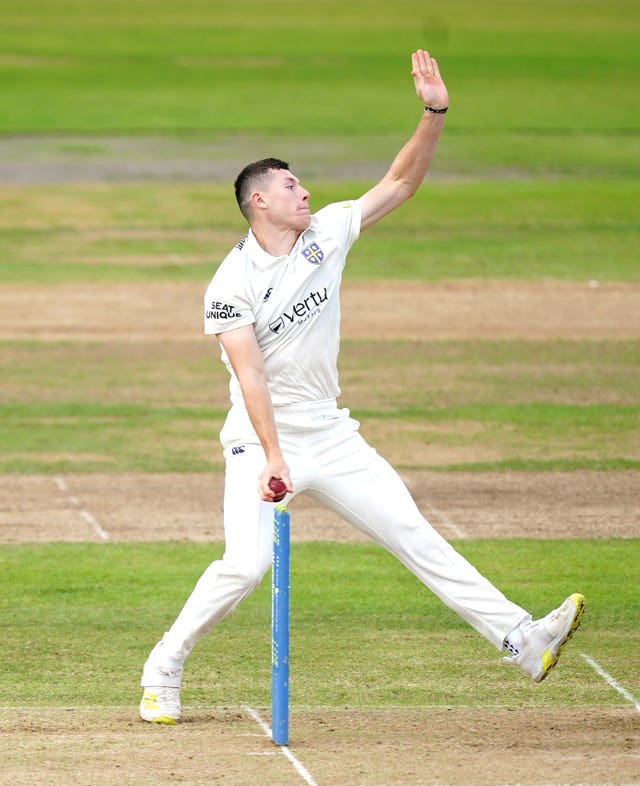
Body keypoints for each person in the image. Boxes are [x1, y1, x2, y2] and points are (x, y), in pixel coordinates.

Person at [139, 50, 585, 724]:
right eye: (291, 187)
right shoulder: (230, 285)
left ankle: (522, 640)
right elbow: (249, 372)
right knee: (245, 566)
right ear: (259, 200)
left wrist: (433, 112)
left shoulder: (326, 235)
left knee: (412, 533)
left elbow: (401, 182)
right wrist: (275, 455)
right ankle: (164, 665)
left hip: (330, 431)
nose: (306, 193)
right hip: (262, 441)